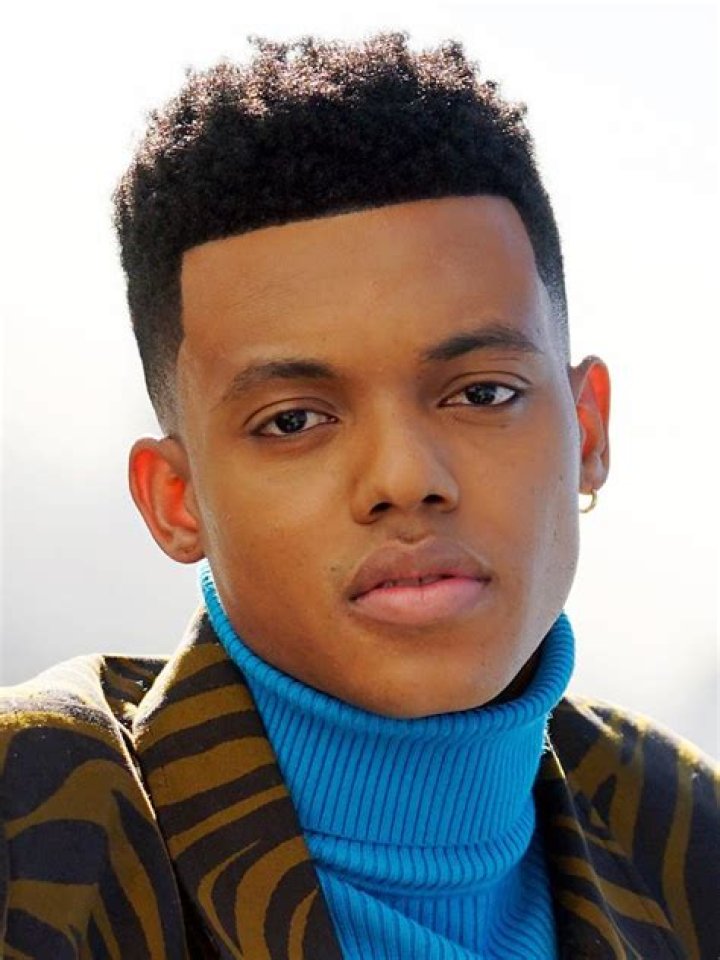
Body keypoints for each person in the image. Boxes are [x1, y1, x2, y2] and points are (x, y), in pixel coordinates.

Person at [0, 33, 716, 960]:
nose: (404, 479)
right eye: (294, 420)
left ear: (586, 432)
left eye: (481, 394)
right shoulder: (32, 827)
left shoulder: (687, 840)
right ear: (175, 499)